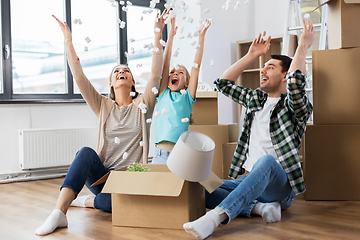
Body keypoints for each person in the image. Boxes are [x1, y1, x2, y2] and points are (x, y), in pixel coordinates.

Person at [35, 10, 168, 236]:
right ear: (111, 82)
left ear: (133, 82)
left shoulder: (144, 105)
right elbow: (79, 77)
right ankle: (59, 212)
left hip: (129, 181)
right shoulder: (103, 105)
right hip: (104, 177)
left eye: (126, 71)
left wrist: (158, 34)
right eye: (117, 71)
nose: (121, 72)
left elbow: (156, 75)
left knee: (112, 204)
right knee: (85, 152)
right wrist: (68, 40)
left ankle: (88, 202)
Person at [183, 19, 315, 240]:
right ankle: (260, 208)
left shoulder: (295, 108)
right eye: (263, 66)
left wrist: (302, 46)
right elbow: (223, 84)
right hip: (248, 180)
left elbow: (294, 84)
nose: (263, 70)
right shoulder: (256, 99)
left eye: (270, 67)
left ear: (285, 75)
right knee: (199, 183)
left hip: (280, 188)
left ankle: (216, 217)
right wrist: (252, 54)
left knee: (266, 162)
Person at [152, 16, 211, 164]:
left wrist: (201, 37)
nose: (174, 73)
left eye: (180, 72)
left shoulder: (187, 98)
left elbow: (196, 67)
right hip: (158, 155)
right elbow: (165, 65)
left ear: (187, 83)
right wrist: (170, 36)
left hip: (178, 155)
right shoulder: (163, 93)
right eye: (172, 72)